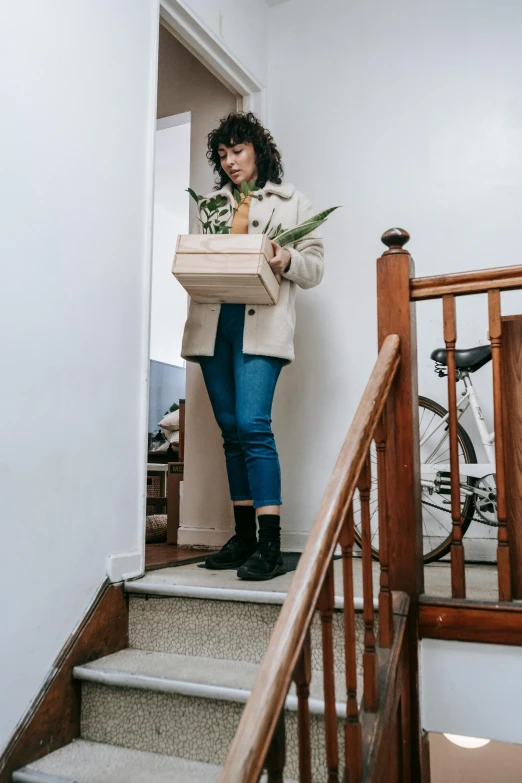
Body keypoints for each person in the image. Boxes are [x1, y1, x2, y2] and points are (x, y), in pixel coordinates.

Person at [181, 112, 324, 581]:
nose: (230, 162)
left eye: (238, 151)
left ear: (258, 151)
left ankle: (269, 543)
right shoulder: (212, 205)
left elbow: (315, 266)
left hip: (261, 323)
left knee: (252, 423)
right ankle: (242, 537)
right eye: (222, 155)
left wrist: (284, 258)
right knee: (230, 429)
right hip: (213, 323)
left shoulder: (292, 201)